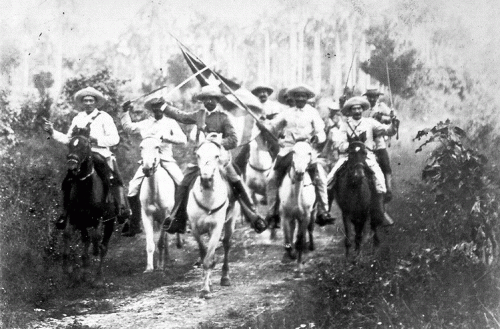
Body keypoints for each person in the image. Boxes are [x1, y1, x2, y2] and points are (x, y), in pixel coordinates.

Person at [161, 85, 267, 234]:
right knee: (183, 184)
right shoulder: (199, 115)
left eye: (213, 99)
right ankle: (176, 218)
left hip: (220, 159)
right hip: (200, 159)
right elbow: (181, 116)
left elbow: (233, 140)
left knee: (236, 181)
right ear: (202, 101)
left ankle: (253, 215)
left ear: (217, 101)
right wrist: (164, 107)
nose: (209, 101)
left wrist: (218, 142)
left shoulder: (223, 118)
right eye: (206, 99)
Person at [43, 86, 129, 228]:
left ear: (96, 102)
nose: (88, 103)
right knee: (67, 180)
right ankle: (65, 213)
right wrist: (52, 132)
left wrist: (96, 140)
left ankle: (121, 208)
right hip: (81, 155)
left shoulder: (104, 117)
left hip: (100, 152)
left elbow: (115, 139)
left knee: (113, 177)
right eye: (85, 101)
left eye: (91, 100)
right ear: (82, 103)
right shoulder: (78, 118)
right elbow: (69, 139)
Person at [258, 84, 335, 228]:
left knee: (320, 177)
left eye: (303, 96)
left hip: (306, 149)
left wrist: (317, 138)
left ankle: (323, 211)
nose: (300, 98)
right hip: (288, 149)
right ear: (293, 98)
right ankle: (272, 213)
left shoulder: (312, 112)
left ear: (307, 98)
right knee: (271, 178)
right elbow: (273, 126)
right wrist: (263, 124)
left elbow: (321, 132)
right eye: (298, 96)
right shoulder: (286, 113)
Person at [119, 96, 187, 237]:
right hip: (148, 160)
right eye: (154, 107)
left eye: (161, 106)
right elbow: (128, 128)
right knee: (132, 187)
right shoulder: (145, 123)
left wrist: (166, 137)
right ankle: (135, 223)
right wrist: (125, 112)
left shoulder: (171, 122)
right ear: (151, 109)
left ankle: (181, 220)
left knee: (183, 184)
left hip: (166, 159)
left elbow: (183, 140)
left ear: (165, 108)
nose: (158, 110)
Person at [327, 96, 398, 226]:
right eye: (354, 109)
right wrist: (349, 147)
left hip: (367, 156)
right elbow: (339, 142)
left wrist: (394, 122)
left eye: (359, 108)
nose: (357, 111)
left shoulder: (370, 122)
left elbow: (388, 131)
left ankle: (380, 211)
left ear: (362, 109)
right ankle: (326, 210)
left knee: (380, 181)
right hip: (348, 156)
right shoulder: (345, 124)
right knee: (330, 178)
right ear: (350, 111)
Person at [362, 87, 398, 202]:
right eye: (370, 97)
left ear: (377, 97)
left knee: (385, 163)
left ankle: (388, 189)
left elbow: (392, 118)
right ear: (367, 97)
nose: (372, 99)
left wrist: (384, 117)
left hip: (378, 139)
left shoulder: (382, 107)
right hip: (365, 140)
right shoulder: (363, 108)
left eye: (374, 97)